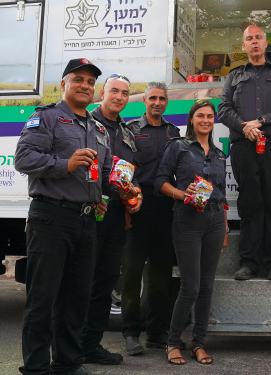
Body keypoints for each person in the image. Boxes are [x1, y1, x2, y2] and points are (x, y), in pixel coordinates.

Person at [15, 58, 120, 375]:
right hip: (51, 218)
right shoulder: (46, 118)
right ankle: (36, 367)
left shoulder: (99, 129)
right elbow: (24, 158)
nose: (85, 85)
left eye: (90, 81)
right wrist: (66, 164)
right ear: (64, 84)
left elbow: (101, 173)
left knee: (76, 297)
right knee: (43, 297)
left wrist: (100, 197)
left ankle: (68, 363)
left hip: (86, 222)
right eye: (79, 79)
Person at [218, 24, 271, 281]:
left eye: (258, 38)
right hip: (243, 146)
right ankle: (249, 262)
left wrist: (260, 121)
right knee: (250, 203)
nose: (254, 42)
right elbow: (223, 109)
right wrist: (245, 127)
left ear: (265, 43)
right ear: (243, 45)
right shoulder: (234, 76)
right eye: (249, 38)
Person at [155, 99, 228, 365]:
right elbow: (160, 181)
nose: (206, 120)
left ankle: (199, 344)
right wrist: (180, 194)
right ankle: (173, 343)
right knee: (191, 287)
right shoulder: (178, 147)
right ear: (192, 119)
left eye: (210, 116)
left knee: (207, 287)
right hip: (187, 219)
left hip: (215, 219)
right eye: (201, 116)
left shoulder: (219, 154)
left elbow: (222, 193)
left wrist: (225, 224)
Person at [80, 73, 142, 366]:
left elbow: (131, 174)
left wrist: (135, 195)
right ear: (101, 93)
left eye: (125, 93)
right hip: (87, 213)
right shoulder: (85, 125)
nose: (119, 97)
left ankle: (90, 344)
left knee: (105, 283)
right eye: (114, 91)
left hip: (116, 216)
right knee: (80, 282)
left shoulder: (128, 133)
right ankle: (70, 347)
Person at [121, 82, 182, 354]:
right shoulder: (131, 131)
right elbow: (124, 169)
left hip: (166, 208)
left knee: (161, 277)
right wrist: (128, 202)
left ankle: (156, 333)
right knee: (132, 275)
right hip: (139, 206)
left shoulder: (174, 132)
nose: (157, 102)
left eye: (162, 98)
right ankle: (131, 333)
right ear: (144, 101)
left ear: (166, 102)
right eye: (152, 98)